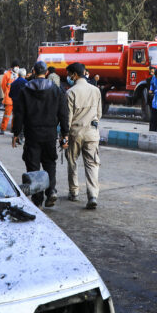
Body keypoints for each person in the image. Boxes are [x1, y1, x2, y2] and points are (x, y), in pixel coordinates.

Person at [11, 61, 69, 208]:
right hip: (50, 133)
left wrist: (16, 133)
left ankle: (37, 199)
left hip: (32, 134)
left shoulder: (25, 90)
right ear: (46, 73)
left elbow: (19, 114)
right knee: (50, 163)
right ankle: (51, 191)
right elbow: (63, 113)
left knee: (33, 165)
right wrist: (65, 133)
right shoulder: (57, 90)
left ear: (34, 72)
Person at [64, 62, 103, 209]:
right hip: (92, 133)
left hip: (75, 133)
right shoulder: (96, 90)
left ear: (74, 75)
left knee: (72, 162)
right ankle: (93, 195)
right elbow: (99, 113)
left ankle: (74, 192)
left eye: (69, 74)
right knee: (92, 164)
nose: (68, 77)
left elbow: (68, 117)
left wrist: (65, 135)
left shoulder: (71, 92)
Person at [0, 61, 17, 135]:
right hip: (9, 99)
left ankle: (13, 129)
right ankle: (3, 129)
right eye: (16, 66)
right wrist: (6, 93)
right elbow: (3, 85)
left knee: (15, 116)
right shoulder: (7, 75)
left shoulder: (18, 75)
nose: (17, 68)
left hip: (16, 99)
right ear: (12, 67)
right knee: (6, 115)